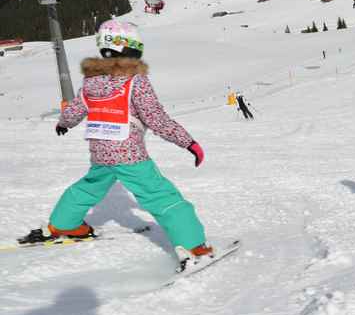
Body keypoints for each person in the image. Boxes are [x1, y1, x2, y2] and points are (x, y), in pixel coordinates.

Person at [20, 20, 213, 268]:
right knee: (160, 195)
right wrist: (188, 142)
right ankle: (193, 246)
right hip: (129, 154)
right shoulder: (135, 81)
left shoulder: (91, 82)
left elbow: (76, 109)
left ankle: (64, 224)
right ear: (130, 49)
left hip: (100, 153)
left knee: (89, 187)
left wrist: (64, 123)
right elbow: (156, 118)